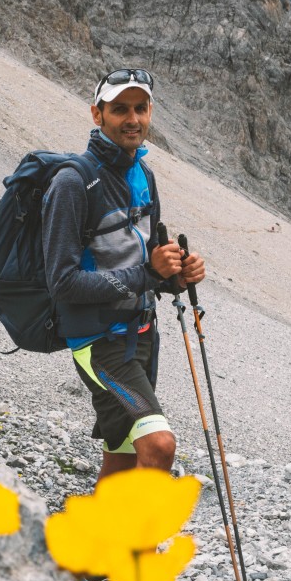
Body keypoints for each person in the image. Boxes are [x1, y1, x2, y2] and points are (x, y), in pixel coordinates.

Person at [42, 68, 206, 482]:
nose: (132, 119)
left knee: (123, 457)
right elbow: (62, 282)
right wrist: (149, 273)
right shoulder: (72, 183)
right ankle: (142, 549)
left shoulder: (143, 174)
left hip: (141, 334)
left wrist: (177, 275)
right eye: (120, 109)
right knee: (158, 445)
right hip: (98, 339)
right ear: (97, 115)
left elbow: (147, 260)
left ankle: (96, 546)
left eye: (140, 108)